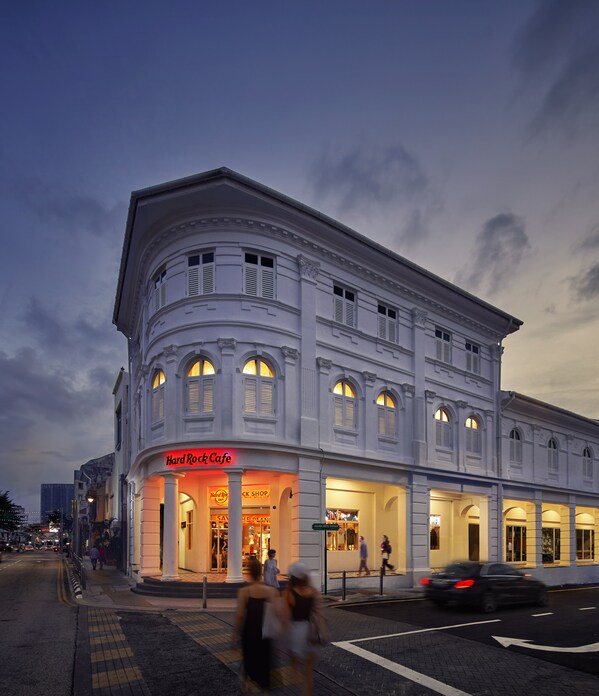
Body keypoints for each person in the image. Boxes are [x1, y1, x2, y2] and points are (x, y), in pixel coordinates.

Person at [233, 558, 280, 693]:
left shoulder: (244, 592)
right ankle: (265, 689)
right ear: (261, 572)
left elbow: (240, 615)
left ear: (248, 573)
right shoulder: (271, 591)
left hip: (249, 631)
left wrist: (234, 635)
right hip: (264, 632)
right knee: (265, 663)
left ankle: (246, 684)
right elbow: (277, 612)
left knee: (248, 660)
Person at [282, 562, 322, 696]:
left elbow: (285, 617)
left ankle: (296, 689)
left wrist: (282, 634)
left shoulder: (289, 593)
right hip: (311, 631)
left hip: (296, 631)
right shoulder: (313, 592)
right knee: (309, 671)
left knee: (295, 667)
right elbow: (319, 611)